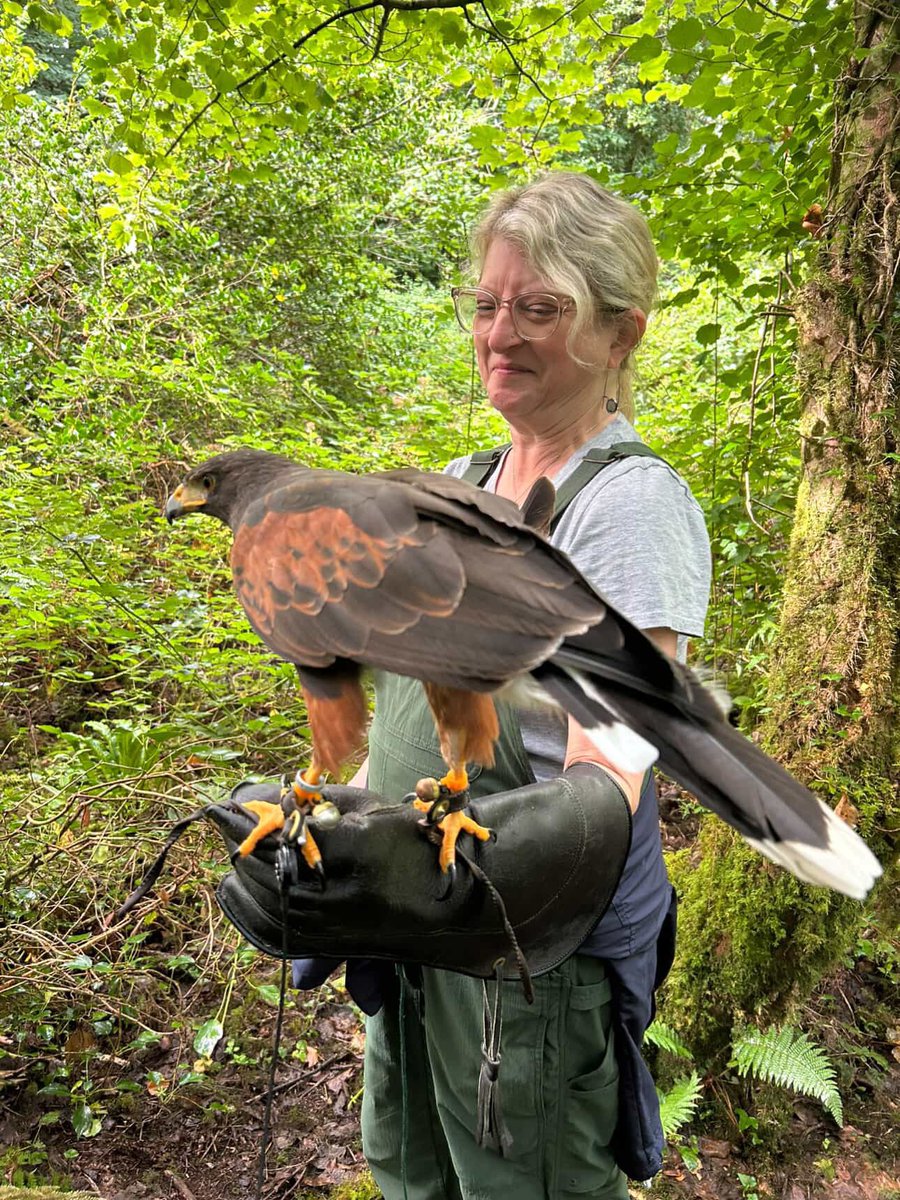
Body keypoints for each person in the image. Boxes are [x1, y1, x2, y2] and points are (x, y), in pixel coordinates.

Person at [213, 170, 711, 1198]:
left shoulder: (629, 510)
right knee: (414, 1181)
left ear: (620, 336)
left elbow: (611, 770)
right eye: (486, 304)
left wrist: (447, 886)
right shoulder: (466, 481)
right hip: (419, 942)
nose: (501, 332)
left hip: (528, 960)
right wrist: (336, 833)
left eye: (541, 308)